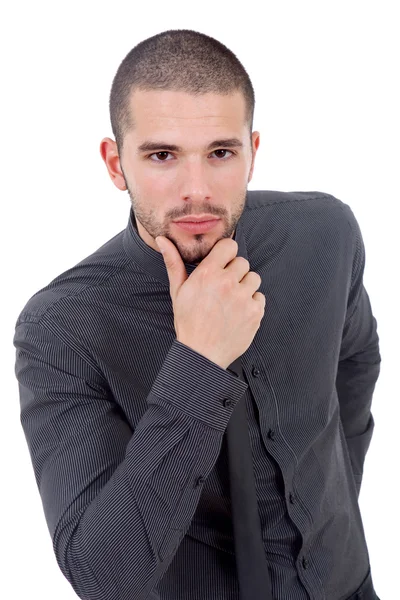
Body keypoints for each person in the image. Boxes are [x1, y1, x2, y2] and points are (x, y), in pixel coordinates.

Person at [13, 29, 381, 600]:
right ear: (116, 163)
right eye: (162, 155)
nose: (197, 191)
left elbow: (354, 367)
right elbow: (104, 577)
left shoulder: (325, 234)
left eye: (221, 153)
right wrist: (198, 364)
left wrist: (333, 502)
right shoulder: (61, 329)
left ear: (252, 150)